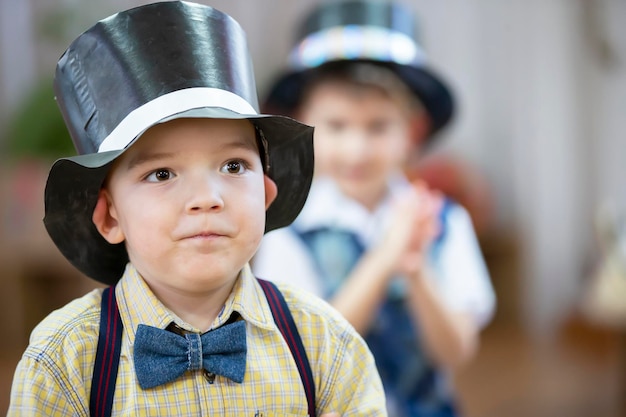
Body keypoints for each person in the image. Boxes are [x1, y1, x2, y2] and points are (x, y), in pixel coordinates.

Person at [7, 2, 386, 416]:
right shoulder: (64, 362)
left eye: (233, 166)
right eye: (162, 173)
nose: (206, 197)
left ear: (265, 194)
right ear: (110, 216)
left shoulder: (326, 347)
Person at [252, 1, 496, 416]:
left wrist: (416, 269)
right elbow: (314, 357)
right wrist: (386, 258)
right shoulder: (286, 232)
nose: (357, 148)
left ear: (411, 133)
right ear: (303, 127)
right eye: (336, 126)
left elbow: (456, 351)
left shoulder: (445, 223)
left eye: (378, 126)